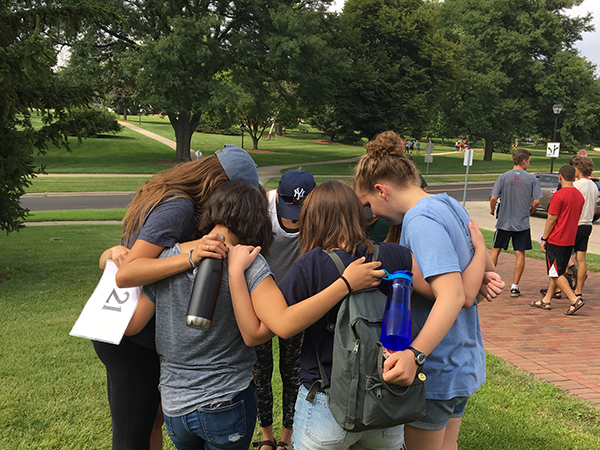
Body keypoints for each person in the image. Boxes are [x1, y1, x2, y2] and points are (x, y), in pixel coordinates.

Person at [228, 180, 503, 450]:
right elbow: (456, 295)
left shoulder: (309, 266)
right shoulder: (396, 256)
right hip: (383, 401)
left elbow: (277, 327)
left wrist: (237, 273)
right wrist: (480, 255)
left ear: (311, 219)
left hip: (326, 403)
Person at [95, 145, 259, 450]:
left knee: (149, 424)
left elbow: (124, 255)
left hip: (130, 325)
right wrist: (192, 256)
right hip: (127, 334)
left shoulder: (167, 195)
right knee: (132, 435)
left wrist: (108, 254)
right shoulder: (179, 206)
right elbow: (128, 273)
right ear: (222, 186)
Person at [353, 130, 499, 450]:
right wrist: (478, 258)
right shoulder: (447, 203)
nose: (371, 215)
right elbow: (481, 264)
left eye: (368, 205)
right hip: (463, 363)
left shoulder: (420, 221)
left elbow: (453, 296)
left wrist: (414, 354)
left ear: (381, 190)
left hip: (436, 368)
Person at [120, 181, 275, 450]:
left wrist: (110, 260)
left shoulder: (167, 258)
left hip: (175, 407)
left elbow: (132, 325)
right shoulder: (249, 262)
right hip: (227, 399)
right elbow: (264, 328)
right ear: (257, 220)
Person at [253, 170, 316, 450]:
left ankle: (286, 439)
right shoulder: (262, 208)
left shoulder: (318, 216)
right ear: (278, 196)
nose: (294, 217)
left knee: (293, 372)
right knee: (260, 371)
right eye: (289, 207)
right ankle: (267, 437)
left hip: (296, 301)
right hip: (260, 299)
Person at [530, 165, 585, 315]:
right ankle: (546, 299)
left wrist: (545, 238)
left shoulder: (559, 195)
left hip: (556, 238)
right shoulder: (579, 196)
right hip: (570, 239)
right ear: (574, 177)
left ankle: (574, 299)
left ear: (560, 177)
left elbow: (551, 218)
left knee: (554, 272)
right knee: (558, 270)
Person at [489, 148, 542, 297]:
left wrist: (493, 211)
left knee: (496, 249)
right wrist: (529, 211)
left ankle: (489, 280)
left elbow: (493, 198)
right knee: (520, 253)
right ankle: (515, 285)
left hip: (504, 221)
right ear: (524, 161)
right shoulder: (531, 179)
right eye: (529, 161)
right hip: (522, 223)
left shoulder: (503, 177)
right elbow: (537, 201)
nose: (529, 164)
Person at [570, 156, 598, 298]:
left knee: (563, 255)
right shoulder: (594, 186)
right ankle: (578, 290)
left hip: (575, 224)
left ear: (578, 168)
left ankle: (558, 288)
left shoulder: (576, 185)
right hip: (587, 224)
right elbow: (593, 209)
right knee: (581, 258)